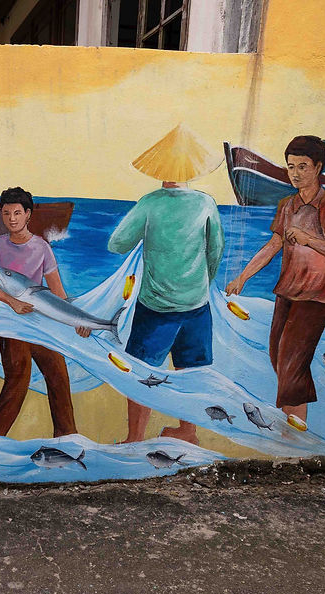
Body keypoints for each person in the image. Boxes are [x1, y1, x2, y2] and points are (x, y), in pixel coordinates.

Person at [108, 124, 225, 445]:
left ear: (159, 168)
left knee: (141, 369)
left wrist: (149, 237)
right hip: (196, 304)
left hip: (156, 305)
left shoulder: (150, 203)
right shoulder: (206, 203)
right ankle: (188, 431)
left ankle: (135, 436)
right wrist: (203, 282)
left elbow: (116, 244)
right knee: (192, 369)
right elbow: (216, 250)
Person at [225, 135, 325, 427]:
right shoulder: (287, 205)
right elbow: (273, 245)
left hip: (316, 296)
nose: (295, 173)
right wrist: (243, 277)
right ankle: (294, 424)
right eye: (291, 166)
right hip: (287, 292)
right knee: (278, 357)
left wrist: (309, 239)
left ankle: (293, 430)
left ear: (318, 167)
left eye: (303, 166)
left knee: (291, 363)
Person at [0, 187, 88, 437]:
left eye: (17, 213)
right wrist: (10, 301)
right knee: (18, 380)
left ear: (28, 214)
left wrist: (77, 320)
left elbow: (58, 293)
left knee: (58, 376)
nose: (12, 219)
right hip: (12, 325)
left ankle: (67, 439)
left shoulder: (41, 247)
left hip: (41, 324)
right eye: (6, 213)